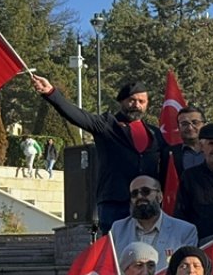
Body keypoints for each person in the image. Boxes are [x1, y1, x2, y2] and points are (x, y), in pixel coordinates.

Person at [33, 75, 166, 232]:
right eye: (132, 100)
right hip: (115, 203)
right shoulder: (106, 125)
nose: (136, 105)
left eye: (141, 101)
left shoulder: (155, 133)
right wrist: (50, 93)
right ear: (122, 101)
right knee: (114, 251)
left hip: (147, 204)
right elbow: (77, 116)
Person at [109, 176, 198, 272]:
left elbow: (188, 271)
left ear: (160, 197)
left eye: (145, 191)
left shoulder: (185, 231)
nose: (139, 196)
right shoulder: (118, 229)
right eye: (134, 194)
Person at [168, 106, 207, 174]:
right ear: (178, 127)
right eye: (184, 124)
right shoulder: (168, 154)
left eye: (195, 122)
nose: (190, 128)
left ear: (204, 125)